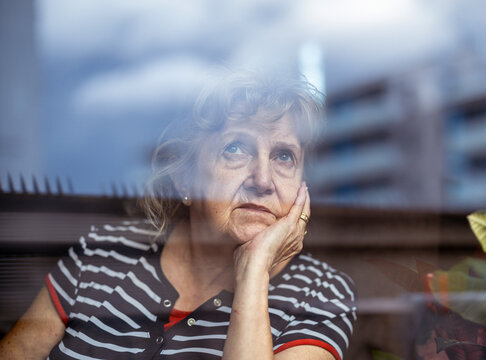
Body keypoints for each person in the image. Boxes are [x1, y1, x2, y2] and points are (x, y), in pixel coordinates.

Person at [0, 72, 357, 359]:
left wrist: (253, 272)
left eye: (284, 157)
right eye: (235, 149)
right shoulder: (102, 254)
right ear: (184, 177)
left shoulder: (320, 293)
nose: (263, 180)